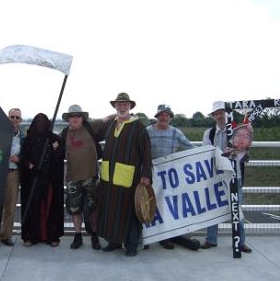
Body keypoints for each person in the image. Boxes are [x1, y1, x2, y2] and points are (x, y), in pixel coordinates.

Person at [97, 92, 152, 257]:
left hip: (129, 177)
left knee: (129, 211)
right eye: (119, 104)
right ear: (115, 106)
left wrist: (146, 174)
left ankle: (131, 245)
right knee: (111, 210)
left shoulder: (138, 126)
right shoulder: (110, 124)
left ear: (130, 106)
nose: (122, 107)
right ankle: (113, 242)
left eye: (125, 104)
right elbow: (94, 136)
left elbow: (146, 152)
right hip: (109, 177)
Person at [200, 101, 252, 253]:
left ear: (227, 113)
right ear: (214, 116)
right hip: (215, 176)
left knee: (237, 208)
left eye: (221, 112)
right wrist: (224, 153)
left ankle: (241, 242)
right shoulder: (208, 133)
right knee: (212, 208)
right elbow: (206, 153)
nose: (219, 116)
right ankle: (211, 239)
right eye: (216, 113)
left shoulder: (238, 130)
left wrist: (236, 150)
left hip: (235, 175)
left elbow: (246, 152)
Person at [146, 104, 194, 250]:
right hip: (150, 174)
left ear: (170, 117)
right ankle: (146, 237)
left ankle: (164, 237)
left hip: (168, 176)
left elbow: (190, 147)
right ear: (157, 116)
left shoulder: (175, 133)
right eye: (161, 115)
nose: (164, 118)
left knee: (166, 206)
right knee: (147, 205)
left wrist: (210, 153)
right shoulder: (147, 131)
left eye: (167, 115)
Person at [60, 104, 103, 250]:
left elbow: (108, 119)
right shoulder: (64, 133)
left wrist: (120, 114)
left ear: (82, 118)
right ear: (68, 119)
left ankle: (95, 235)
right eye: (72, 116)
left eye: (78, 116)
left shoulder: (91, 126)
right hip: (73, 177)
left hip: (91, 176)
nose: (75, 118)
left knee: (93, 208)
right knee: (75, 209)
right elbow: (54, 148)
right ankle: (77, 235)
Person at [19, 113, 65, 247]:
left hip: (50, 179)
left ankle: (51, 236)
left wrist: (53, 141)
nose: (40, 124)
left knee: (50, 206)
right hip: (33, 179)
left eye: (43, 122)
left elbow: (60, 154)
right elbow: (23, 157)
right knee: (34, 206)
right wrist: (31, 167)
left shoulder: (53, 138)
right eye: (38, 122)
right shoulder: (29, 139)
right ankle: (31, 236)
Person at [0, 108, 24, 247]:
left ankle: (6, 235)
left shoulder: (23, 137)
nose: (14, 119)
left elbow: (27, 155)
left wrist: (19, 158)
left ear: (20, 120)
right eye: (12, 116)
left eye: (17, 117)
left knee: (10, 206)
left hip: (13, 173)